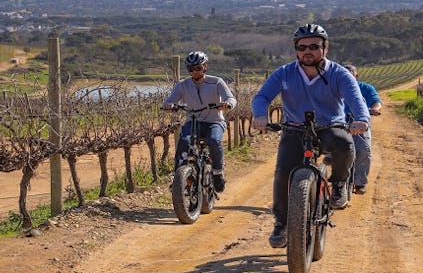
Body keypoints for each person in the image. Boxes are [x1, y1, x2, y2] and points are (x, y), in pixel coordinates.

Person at [250, 23, 370, 248]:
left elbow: (356, 100)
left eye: (314, 46)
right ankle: (282, 223)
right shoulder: (285, 73)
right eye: (302, 47)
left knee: (345, 144)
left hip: (329, 127)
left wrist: (361, 119)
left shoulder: (339, 74)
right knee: (283, 173)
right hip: (294, 129)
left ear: (325, 48)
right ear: (296, 50)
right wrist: (259, 115)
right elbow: (262, 97)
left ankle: (338, 184)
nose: (307, 51)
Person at [163, 51, 237, 193]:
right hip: (193, 121)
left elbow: (230, 98)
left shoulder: (217, 82)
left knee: (214, 141)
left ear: (205, 67)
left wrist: (227, 104)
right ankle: (179, 178)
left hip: (214, 121)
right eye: (191, 69)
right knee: (183, 142)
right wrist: (169, 106)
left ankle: (217, 173)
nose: (194, 72)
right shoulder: (182, 85)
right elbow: (170, 100)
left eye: (198, 68)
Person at [342, 64, 382, 195]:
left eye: (350, 76)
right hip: (339, 122)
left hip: (359, 123)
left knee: (364, 149)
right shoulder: (334, 89)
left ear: (356, 76)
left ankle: (359, 183)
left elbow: (375, 102)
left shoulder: (366, 88)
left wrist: (375, 109)